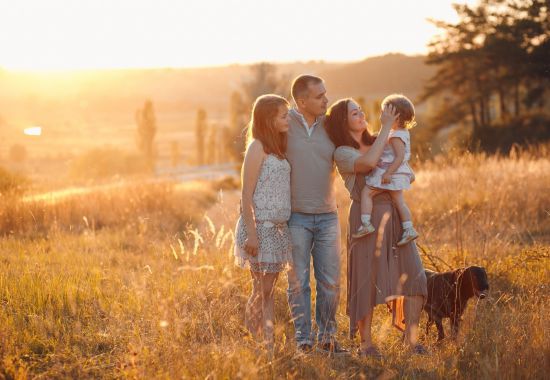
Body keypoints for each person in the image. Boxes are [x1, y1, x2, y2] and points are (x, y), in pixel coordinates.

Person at [325, 98, 428, 358]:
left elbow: (401, 161)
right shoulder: (342, 152)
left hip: (393, 213)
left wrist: (405, 171)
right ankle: (366, 344)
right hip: (365, 218)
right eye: (355, 112)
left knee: (414, 273)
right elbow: (370, 163)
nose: (362, 114)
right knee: (366, 280)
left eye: (361, 109)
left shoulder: (378, 140)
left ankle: (410, 339)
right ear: (342, 121)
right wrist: (386, 127)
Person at [285, 75, 346, 355]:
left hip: (327, 217)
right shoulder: (284, 124)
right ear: (302, 101)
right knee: (298, 282)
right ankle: (303, 340)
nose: (326, 100)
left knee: (330, 282)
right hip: (295, 217)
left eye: (326, 93)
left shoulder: (332, 124)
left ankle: (327, 337)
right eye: (319, 96)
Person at [234, 94, 292, 350]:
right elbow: (246, 194)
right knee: (261, 289)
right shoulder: (256, 147)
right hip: (259, 229)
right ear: (269, 119)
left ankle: (268, 344)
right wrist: (252, 234)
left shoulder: (277, 147)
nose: (287, 119)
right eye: (283, 115)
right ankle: (252, 341)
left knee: (268, 290)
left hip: (278, 230)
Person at [354, 94, 419, 247]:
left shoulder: (395, 136)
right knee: (399, 201)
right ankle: (408, 229)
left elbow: (400, 157)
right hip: (396, 173)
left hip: (390, 173)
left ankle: (365, 223)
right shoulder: (401, 132)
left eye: (384, 112)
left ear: (395, 118)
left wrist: (388, 173)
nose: (381, 115)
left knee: (367, 192)